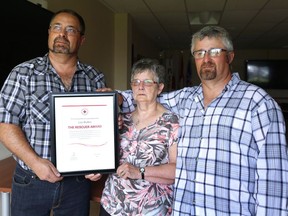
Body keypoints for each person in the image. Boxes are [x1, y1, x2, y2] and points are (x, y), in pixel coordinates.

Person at [120, 26, 288, 215]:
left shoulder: (258, 103)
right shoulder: (185, 99)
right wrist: (115, 99)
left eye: (214, 52)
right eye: (199, 53)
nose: (206, 59)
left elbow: (273, 180)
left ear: (230, 57)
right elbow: (145, 97)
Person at [0, 9, 104, 216]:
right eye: (57, 27)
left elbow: (101, 128)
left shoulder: (94, 77)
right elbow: (5, 125)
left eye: (70, 30)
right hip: (31, 179)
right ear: (49, 33)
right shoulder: (23, 73)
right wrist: (35, 163)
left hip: (77, 184)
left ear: (81, 39)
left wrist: (98, 163)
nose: (62, 34)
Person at [95, 58, 179, 215]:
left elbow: (176, 171)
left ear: (159, 88)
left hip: (149, 208)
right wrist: (95, 169)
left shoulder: (172, 123)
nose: (141, 87)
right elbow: (102, 154)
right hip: (112, 204)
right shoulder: (121, 119)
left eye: (148, 82)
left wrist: (139, 171)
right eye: (135, 82)